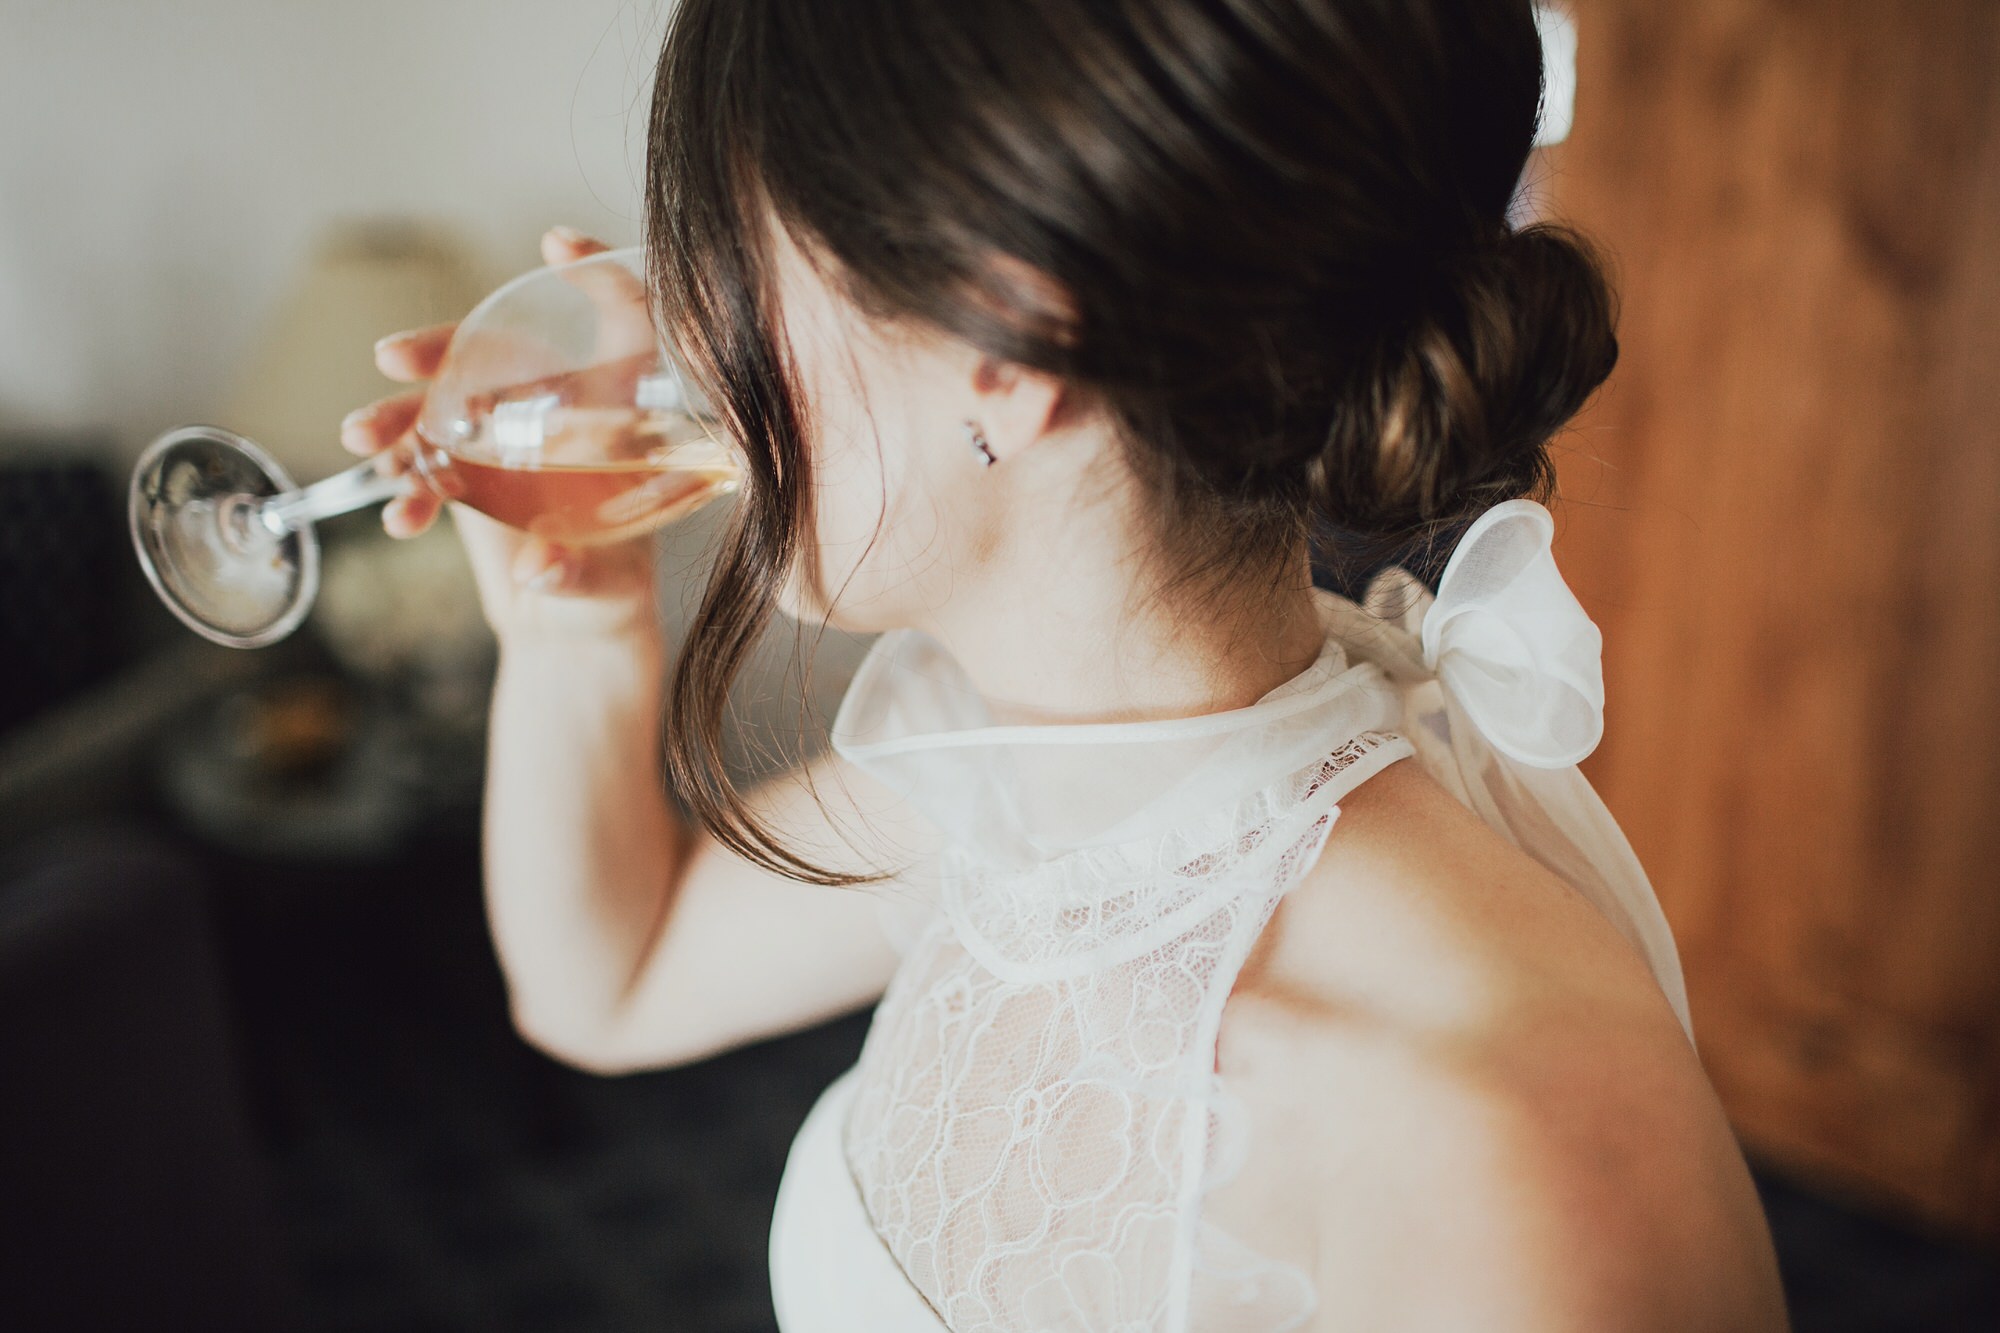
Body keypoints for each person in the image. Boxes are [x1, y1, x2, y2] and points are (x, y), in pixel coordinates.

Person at [341, 0, 1789, 1327]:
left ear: (1013, 339)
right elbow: (607, 979)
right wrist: (572, 621)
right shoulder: (1004, 792)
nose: (689, 342)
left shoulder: (1520, 1152)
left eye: (731, 258)